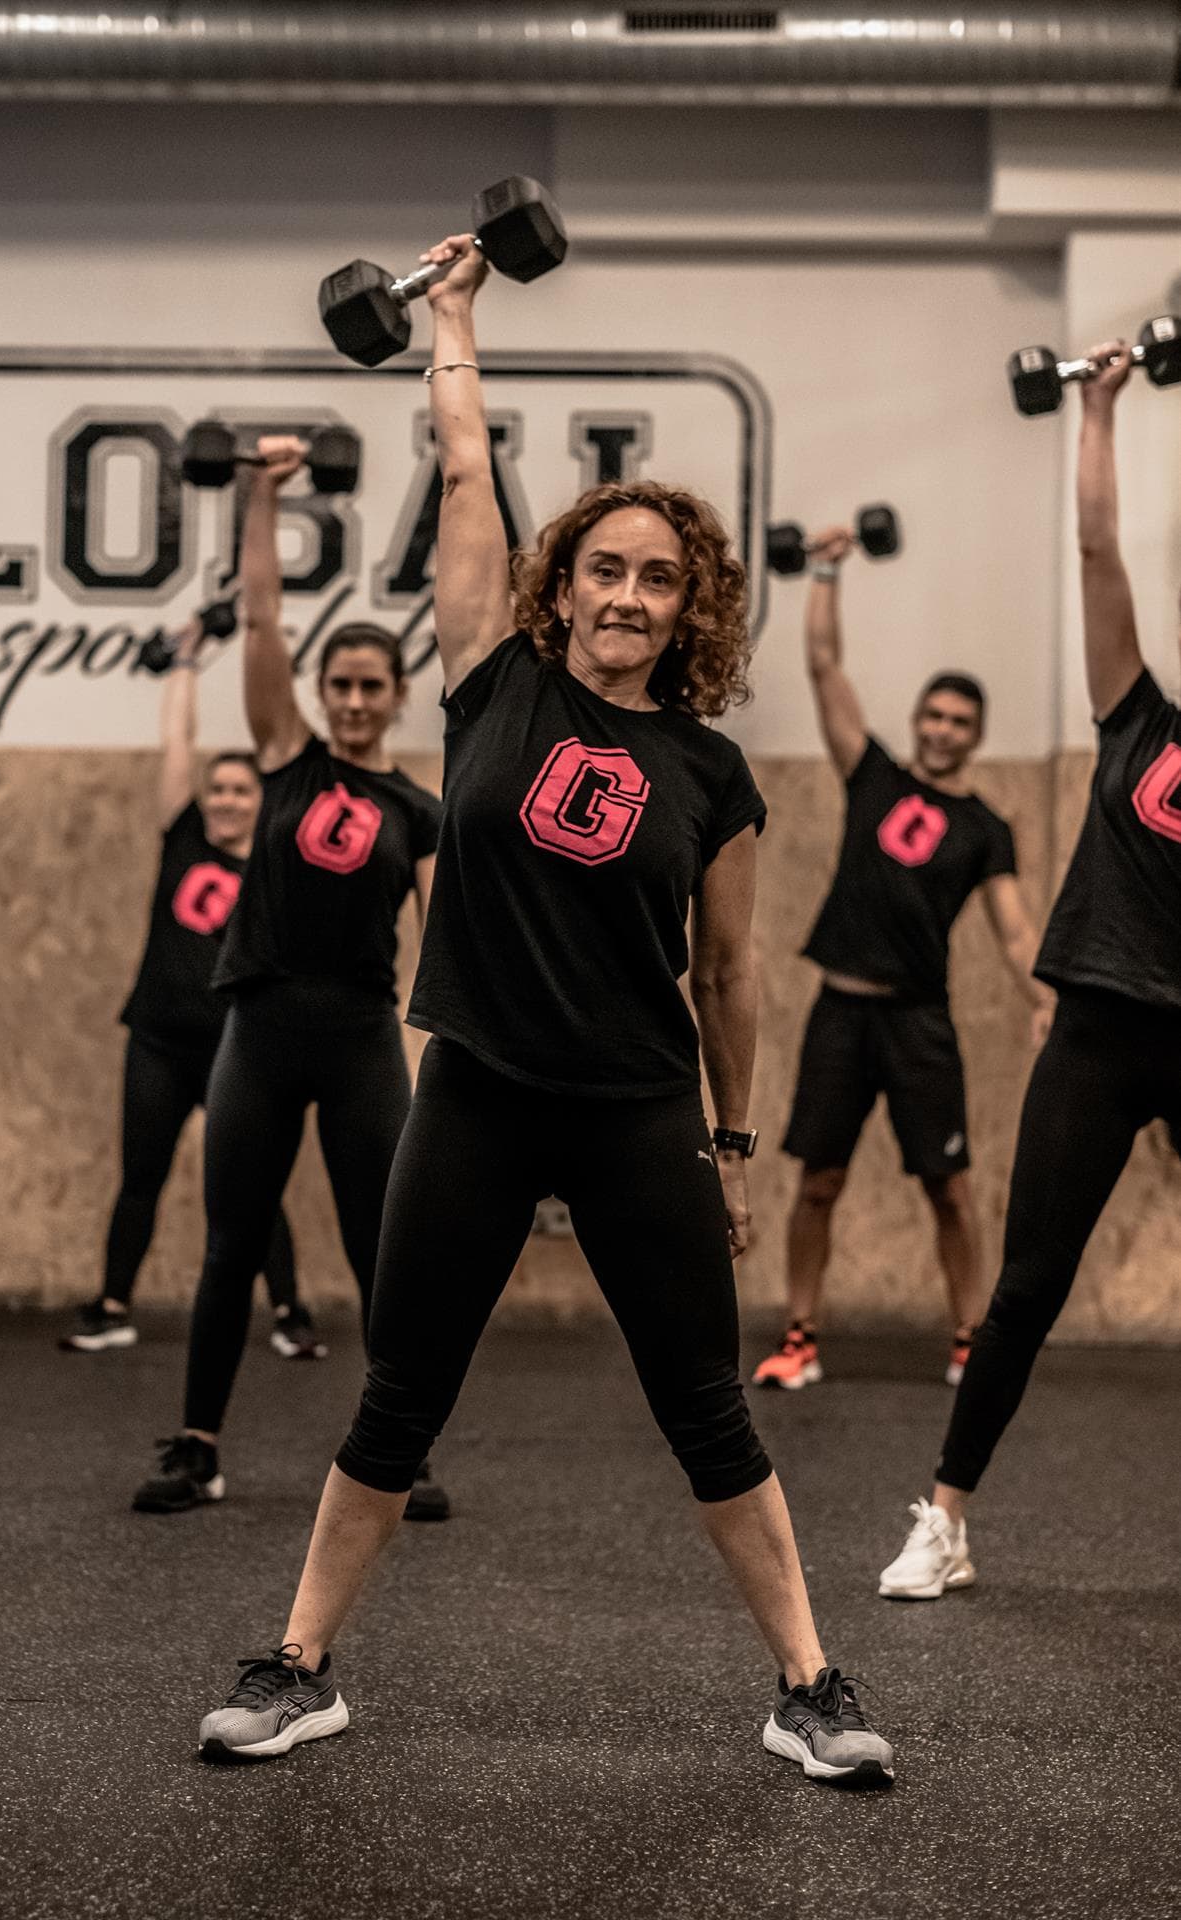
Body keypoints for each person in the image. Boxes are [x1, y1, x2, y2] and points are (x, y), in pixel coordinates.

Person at [192, 233, 894, 1786]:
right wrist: (451, 319)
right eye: (603, 568)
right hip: (481, 1094)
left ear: (686, 603)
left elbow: (723, 974)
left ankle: (810, 1685)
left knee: (705, 1410)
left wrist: (727, 1135)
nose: (626, 593)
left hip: (641, 1107)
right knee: (399, 1390)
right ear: (560, 584)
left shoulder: (712, 775)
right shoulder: (487, 681)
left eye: (656, 576)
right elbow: (461, 477)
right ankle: (299, 1664)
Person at [879, 342, 1180, 1601]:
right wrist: (1096, 410)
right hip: (1101, 1032)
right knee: (1028, 1287)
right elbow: (1096, 555)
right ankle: (944, 1517)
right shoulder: (1138, 717)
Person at [131, 440, 443, 1519]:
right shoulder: (284, 754)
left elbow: (445, 938)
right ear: (322, 693)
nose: (356, 701)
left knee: (378, 1253)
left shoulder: (418, 813)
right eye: (342, 685)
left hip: (360, 1039)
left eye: (373, 687)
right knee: (230, 1247)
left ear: (399, 697)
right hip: (258, 1030)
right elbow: (262, 619)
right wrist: (264, 494)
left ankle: (399, 1453)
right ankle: (199, 1446)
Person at [753, 537, 1054, 1393]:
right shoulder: (873, 775)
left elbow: (1015, 928)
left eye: (960, 722)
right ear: (918, 719)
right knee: (818, 1182)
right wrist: (824, 571)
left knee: (949, 1188)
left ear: (977, 736)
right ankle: (800, 1337)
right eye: (935, 715)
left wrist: (1042, 998)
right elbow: (821, 665)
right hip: (839, 1014)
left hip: (920, 1020)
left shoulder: (986, 826)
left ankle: (971, 1340)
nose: (943, 730)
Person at [58, 613, 315, 1359]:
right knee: (140, 1175)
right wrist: (187, 660)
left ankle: (291, 1316)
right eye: (220, 790)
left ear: (262, 801)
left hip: (240, 1049)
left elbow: (294, 756)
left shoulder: (274, 863)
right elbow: (178, 744)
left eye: (243, 790)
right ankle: (111, 1307)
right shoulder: (184, 837)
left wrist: (278, 657)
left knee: (254, 1184)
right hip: (160, 1042)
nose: (229, 800)